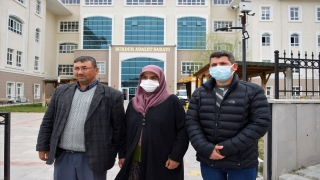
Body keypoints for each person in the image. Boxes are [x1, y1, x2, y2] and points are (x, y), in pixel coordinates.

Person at [185, 50, 271, 180]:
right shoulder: (199, 93)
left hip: (242, 163)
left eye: (223, 63)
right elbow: (191, 123)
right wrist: (206, 149)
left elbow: (260, 123)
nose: (218, 67)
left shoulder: (253, 91)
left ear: (234, 67)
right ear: (210, 68)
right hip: (210, 162)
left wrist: (225, 148)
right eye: (214, 65)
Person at [36, 56, 125, 180]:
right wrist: (42, 145)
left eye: (84, 68)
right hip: (63, 155)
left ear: (96, 70)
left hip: (94, 158)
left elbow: (119, 129)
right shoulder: (61, 92)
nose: (80, 72)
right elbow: (48, 121)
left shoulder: (112, 95)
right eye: (76, 68)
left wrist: (122, 154)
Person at [115, 65, 189, 180]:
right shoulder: (134, 103)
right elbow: (125, 131)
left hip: (163, 161)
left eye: (154, 78)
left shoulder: (172, 101)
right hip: (135, 160)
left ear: (161, 80)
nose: (148, 81)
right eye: (144, 77)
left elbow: (183, 131)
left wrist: (176, 157)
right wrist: (123, 154)